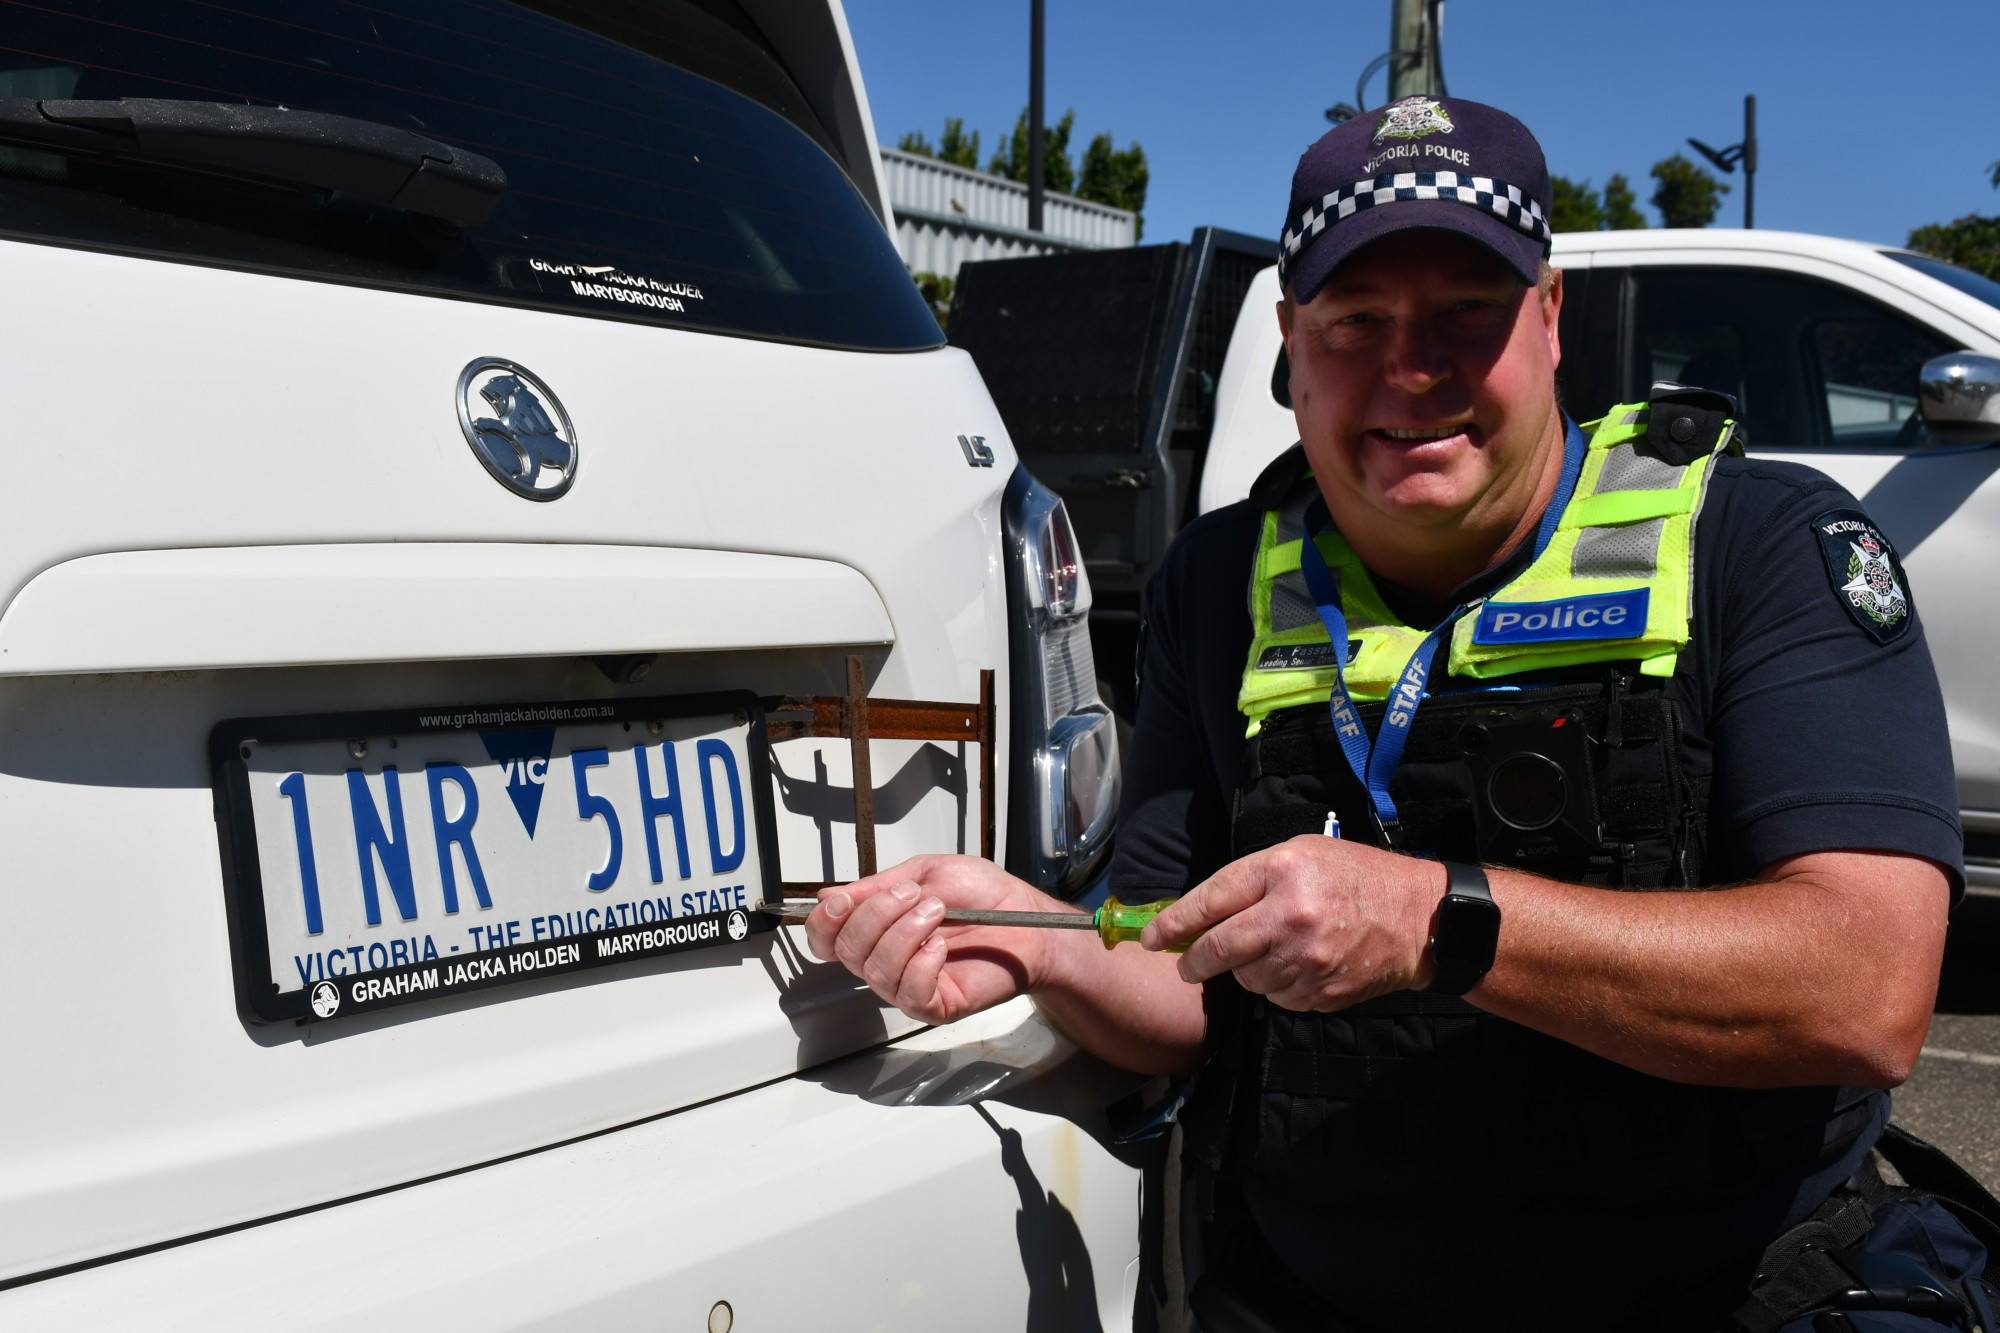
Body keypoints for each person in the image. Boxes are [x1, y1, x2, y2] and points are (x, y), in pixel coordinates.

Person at [805, 96, 1986, 1331]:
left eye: (1462, 312)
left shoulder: (1759, 542)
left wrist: (1437, 918)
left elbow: (1866, 986)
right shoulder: (1216, 585)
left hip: (1717, 1292)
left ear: (1547, 314)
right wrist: (1042, 945)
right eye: (1354, 320)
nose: (1408, 370)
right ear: (1287, 343)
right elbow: (1185, 988)